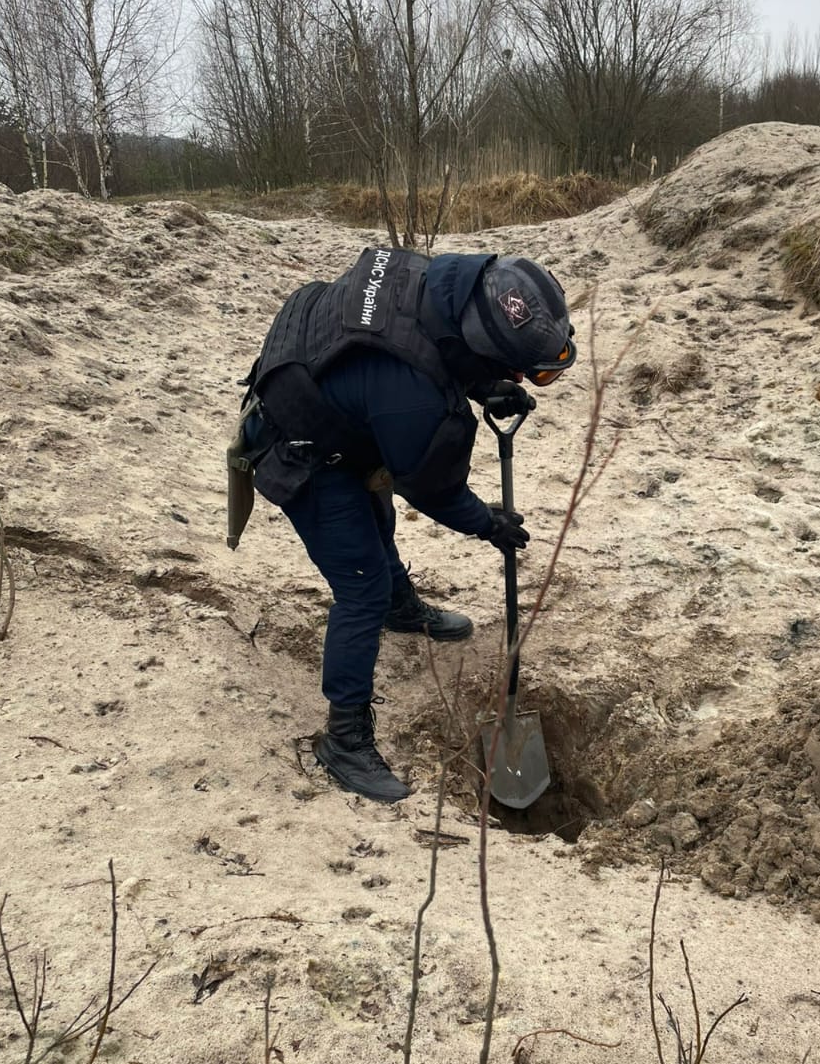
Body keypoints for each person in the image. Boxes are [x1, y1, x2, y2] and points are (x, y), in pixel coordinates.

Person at [237, 246, 576, 803]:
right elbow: (432, 487)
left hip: (329, 389)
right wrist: (487, 523)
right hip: (300, 445)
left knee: (377, 518)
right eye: (518, 369)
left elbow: (426, 345)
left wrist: (484, 381)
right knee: (360, 585)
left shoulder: (436, 279)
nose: (521, 379)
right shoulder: (414, 404)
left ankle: (401, 608)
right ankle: (344, 739)